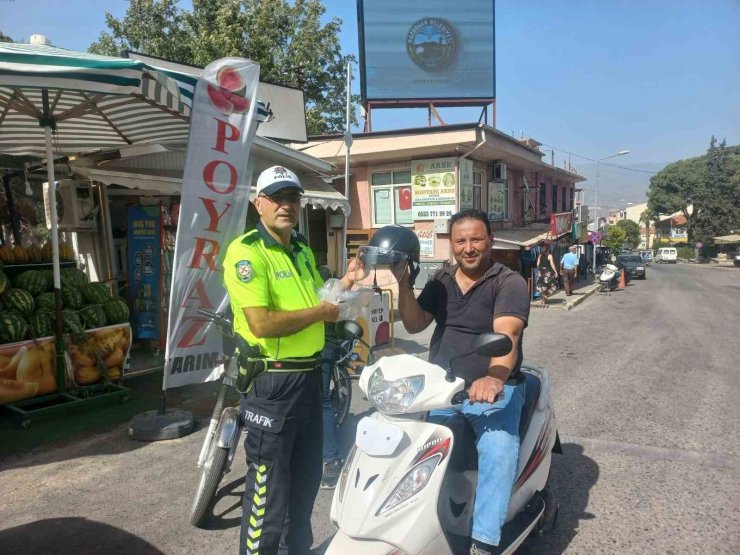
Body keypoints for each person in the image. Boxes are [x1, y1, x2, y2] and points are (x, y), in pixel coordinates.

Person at [223, 165, 352, 555]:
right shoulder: (247, 251)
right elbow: (261, 323)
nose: (285, 205)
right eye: (276, 197)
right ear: (258, 203)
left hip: (310, 380)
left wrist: (346, 285)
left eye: (292, 198)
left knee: (305, 482)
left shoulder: (300, 250)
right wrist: (322, 314)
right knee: (268, 494)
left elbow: (316, 300)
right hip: (272, 387)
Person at [396, 209, 530, 555]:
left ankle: (483, 542)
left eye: (475, 239)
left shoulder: (508, 282)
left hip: (494, 386)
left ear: (490, 241)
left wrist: (494, 376)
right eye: (460, 241)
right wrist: (403, 284)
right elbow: (414, 324)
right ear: (451, 244)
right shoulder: (441, 279)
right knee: (410, 445)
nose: (468, 248)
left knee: (497, 446)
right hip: (443, 387)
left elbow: (508, 336)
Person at [316, 267, 343, 489]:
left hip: (325, 343)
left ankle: (332, 459)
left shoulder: (325, 281)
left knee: (321, 399)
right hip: (301, 346)